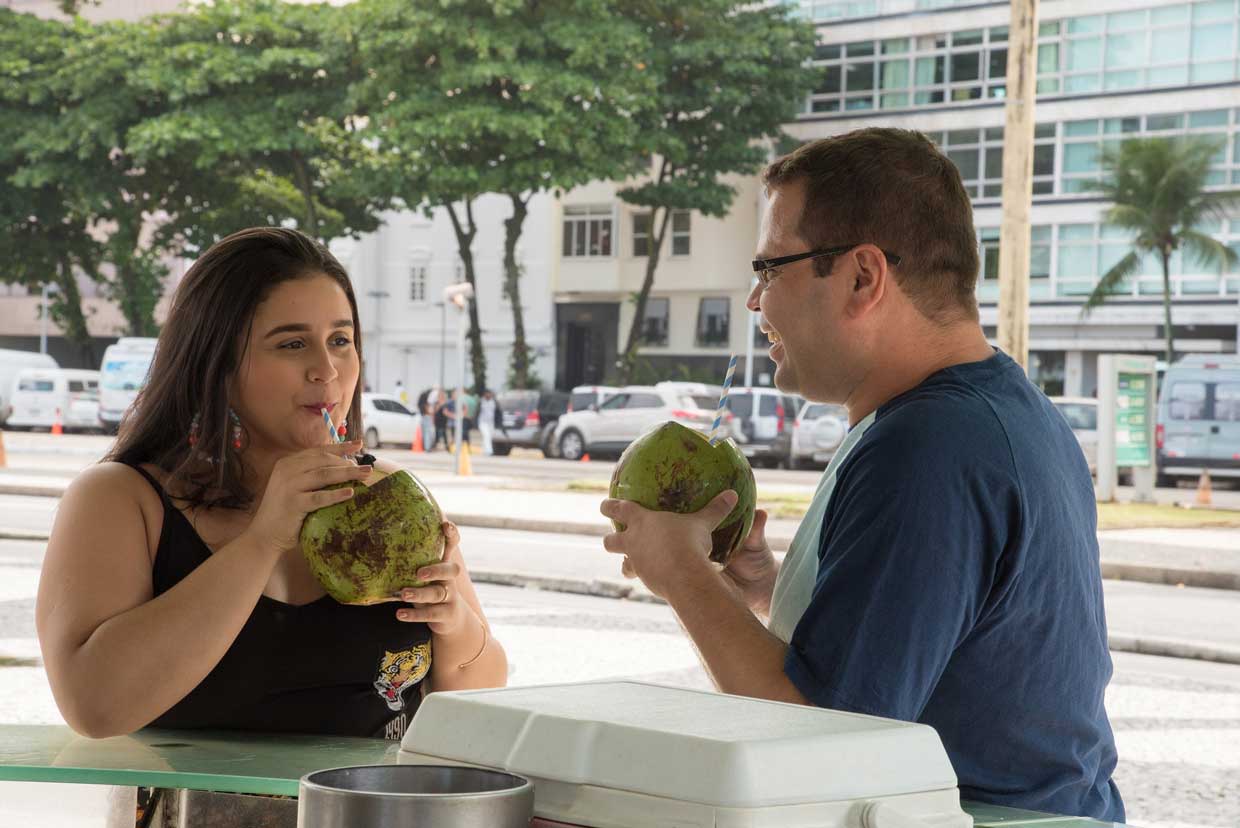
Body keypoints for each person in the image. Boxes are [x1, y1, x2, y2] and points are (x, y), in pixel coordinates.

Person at [600, 129, 1124, 822]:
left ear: (861, 277)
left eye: (769, 268)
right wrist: (773, 592)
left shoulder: (930, 447)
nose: (756, 302)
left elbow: (822, 749)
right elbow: (912, 654)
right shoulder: (997, 411)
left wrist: (684, 577)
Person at [36, 227, 506, 742]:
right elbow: (94, 706)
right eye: (292, 343)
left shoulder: (388, 496)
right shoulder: (120, 499)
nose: (326, 370)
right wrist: (263, 539)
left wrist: (452, 619)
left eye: (340, 340)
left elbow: (477, 699)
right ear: (216, 363)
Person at [478, 390, 497, 456]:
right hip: (482, 422)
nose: (488, 395)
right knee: (486, 435)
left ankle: (484, 450)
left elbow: (497, 412)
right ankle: (489, 451)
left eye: (490, 394)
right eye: (487, 394)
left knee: (488, 437)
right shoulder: (481, 401)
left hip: (491, 423)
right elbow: (477, 411)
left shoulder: (494, 402)